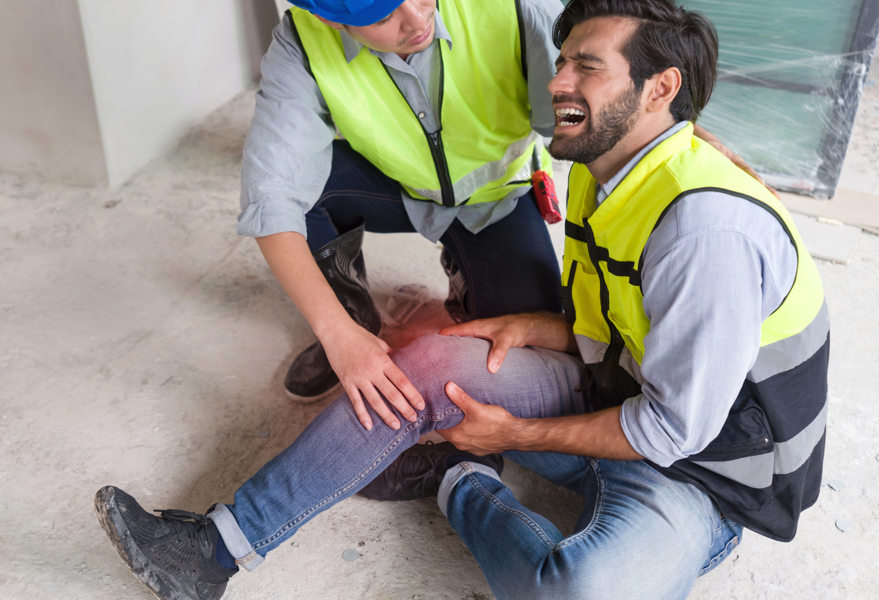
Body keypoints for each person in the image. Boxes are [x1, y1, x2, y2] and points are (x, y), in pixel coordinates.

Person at [94, 0, 829, 599]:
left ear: (660, 89)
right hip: (621, 381)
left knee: (579, 591)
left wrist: (511, 433)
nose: (558, 80)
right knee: (422, 363)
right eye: (564, 60)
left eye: (586, 66)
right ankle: (212, 548)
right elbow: (624, 317)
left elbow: (673, 431)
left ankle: (458, 484)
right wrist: (544, 327)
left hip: (706, 473)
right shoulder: (602, 171)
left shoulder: (705, 229)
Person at [241, 0, 567, 420]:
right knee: (298, 194)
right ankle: (358, 321)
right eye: (382, 17)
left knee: (526, 358)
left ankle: (466, 268)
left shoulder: (517, 7)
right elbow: (269, 195)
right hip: (398, 184)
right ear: (330, 18)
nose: (417, 19)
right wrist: (338, 334)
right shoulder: (303, 41)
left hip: (497, 198)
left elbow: (592, 131)